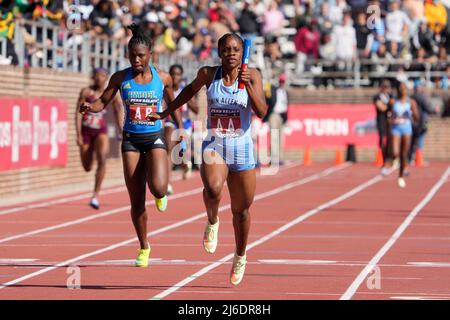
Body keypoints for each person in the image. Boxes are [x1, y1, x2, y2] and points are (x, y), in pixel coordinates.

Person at [149, 33, 267, 285]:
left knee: (242, 211)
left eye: (236, 49)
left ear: (241, 52)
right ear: (220, 52)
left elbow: (262, 112)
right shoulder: (207, 74)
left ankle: (240, 255)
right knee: (213, 188)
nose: (232, 53)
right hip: (215, 144)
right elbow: (186, 94)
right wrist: (165, 113)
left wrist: (248, 86)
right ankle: (212, 220)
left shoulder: (253, 75)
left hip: (243, 150)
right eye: (226, 49)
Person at [79, 23, 183, 268]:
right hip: (131, 141)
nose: (136, 60)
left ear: (150, 56)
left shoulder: (163, 78)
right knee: (136, 202)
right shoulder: (120, 77)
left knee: (158, 189)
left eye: (141, 56)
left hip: (154, 137)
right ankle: (144, 246)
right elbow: (102, 102)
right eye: (132, 55)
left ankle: (158, 192)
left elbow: (173, 104)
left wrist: (180, 129)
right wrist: (89, 107)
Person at [75, 67, 123, 210]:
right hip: (86, 132)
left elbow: (117, 111)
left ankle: (95, 195)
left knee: (102, 158)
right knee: (87, 166)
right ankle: (90, 154)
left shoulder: (111, 93)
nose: (99, 79)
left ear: (106, 77)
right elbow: (78, 113)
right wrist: (78, 135)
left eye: (102, 76)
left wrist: (121, 131)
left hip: (101, 131)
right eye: (96, 76)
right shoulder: (86, 92)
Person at [164, 64, 199, 194]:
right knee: (169, 149)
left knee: (182, 155)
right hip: (171, 123)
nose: (174, 77)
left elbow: (197, 110)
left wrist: (188, 100)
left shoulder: (185, 90)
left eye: (177, 74)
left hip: (185, 125)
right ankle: (167, 183)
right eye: (172, 74)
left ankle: (185, 165)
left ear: (181, 76)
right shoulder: (166, 91)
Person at [387, 81, 420, 188]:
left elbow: (417, 117)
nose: (402, 90)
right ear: (397, 90)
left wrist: (413, 113)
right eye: (400, 88)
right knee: (395, 152)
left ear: (406, 90)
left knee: (403, 154)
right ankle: (394, 159)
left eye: (403, 88)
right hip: (396, 128)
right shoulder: (393, 102)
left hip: (406, 129)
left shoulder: (411, 102)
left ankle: (400, 176)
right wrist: (389, 119)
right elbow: (387, 114)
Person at [408, 80, 436, 164]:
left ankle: (410, 158)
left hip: (413, 120)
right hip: (423, 121)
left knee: (413, 139)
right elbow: (428, 108)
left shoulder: (411, 96)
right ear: (419, 87)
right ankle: (418, 158)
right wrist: (435, 110)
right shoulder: (422, 97)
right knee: (421, 138)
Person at [373, 79, 393, 172]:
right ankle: (383, 158)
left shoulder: (390, 96)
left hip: (390, 121)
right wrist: (389, 106)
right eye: (384, 87)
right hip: (381, 121)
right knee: (382, 140)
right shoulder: (377, 97)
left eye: (387, 87)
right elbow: (381, 107)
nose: (386, 89)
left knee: (391, 140)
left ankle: (390, 158)